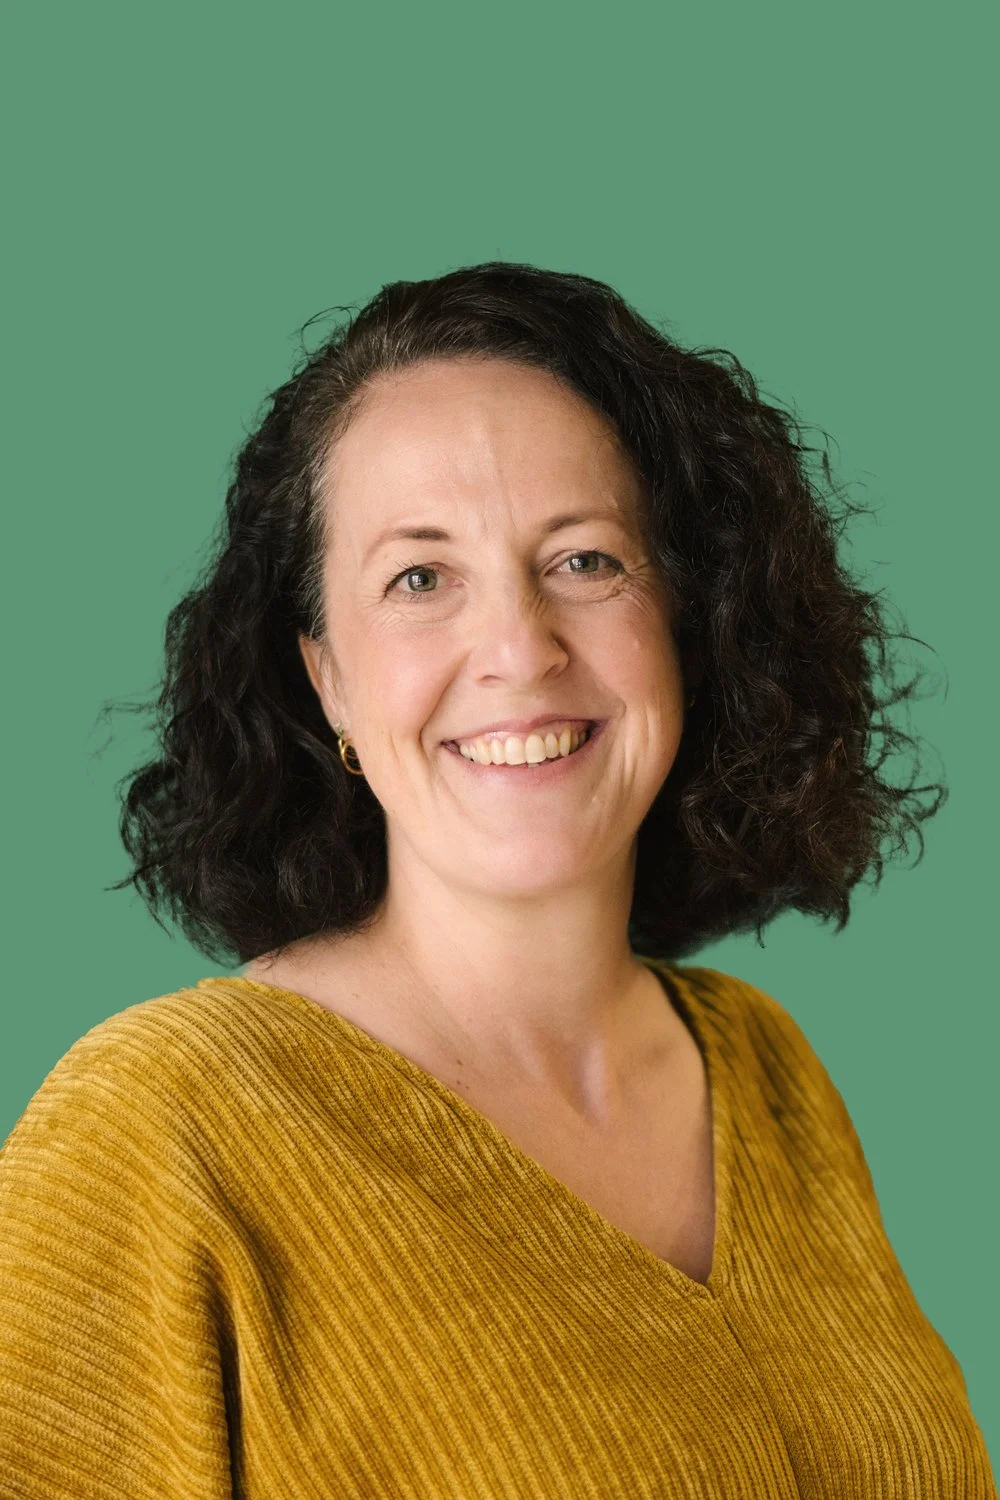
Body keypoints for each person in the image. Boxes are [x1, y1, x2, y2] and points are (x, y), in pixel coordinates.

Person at [1, 262, 995, 1498]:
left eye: (584, 560)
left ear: (690, 623)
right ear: (329, 682)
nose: (519, 648)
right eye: (420, 579)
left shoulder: (768, 1073)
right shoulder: (156, 1129)